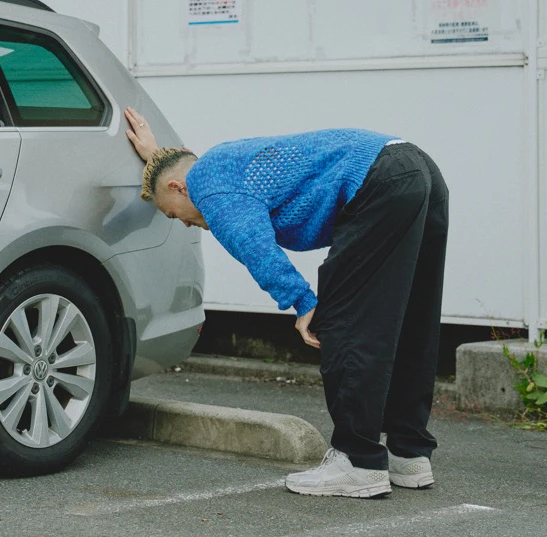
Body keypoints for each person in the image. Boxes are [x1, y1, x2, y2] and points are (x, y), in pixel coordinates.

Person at [123, 107, 449, 499]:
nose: (185, 223)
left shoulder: (206, 184)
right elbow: (175, 167)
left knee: (347, 323)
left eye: (172, 214)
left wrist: (303, 302)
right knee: (412, 318)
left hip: (377, 181)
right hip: (417, 168)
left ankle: (358, 461)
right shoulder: (219, 167)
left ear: (178, 188)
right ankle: (408, 453)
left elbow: (254, 245)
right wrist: (154, 156)